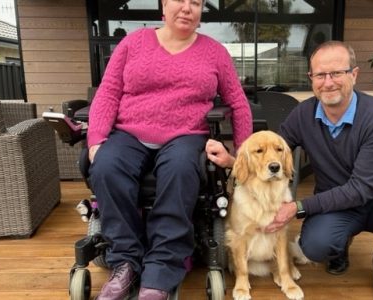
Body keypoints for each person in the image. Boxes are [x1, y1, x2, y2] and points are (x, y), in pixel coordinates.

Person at [205, 40, 373, 300]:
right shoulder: (303, 114)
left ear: (354, 74)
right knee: (314, 246)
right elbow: (273, 153)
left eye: (337, 73)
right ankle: (339, 247)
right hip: (336, 200)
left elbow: (362, 188)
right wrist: (232, 161)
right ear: (311, 78)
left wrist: (298, 207)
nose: (328, 82)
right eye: (320, 75)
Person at [87, 0, 253, 299]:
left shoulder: (215, 52)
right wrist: (96, 139)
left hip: (185, 134)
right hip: (130, 132)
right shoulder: (133, 43)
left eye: (196, 3)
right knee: (107, 165)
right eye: (180, 0)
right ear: (164, 6)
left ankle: (161, 270)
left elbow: (238, 103)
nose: (187, 8)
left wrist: (241, 155)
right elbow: (109, 91)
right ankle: (125, 262)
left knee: (179, 169)